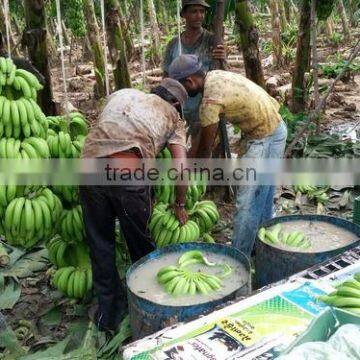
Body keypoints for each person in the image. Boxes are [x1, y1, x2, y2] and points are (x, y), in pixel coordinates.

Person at [80, 79, 189, 332]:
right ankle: (150, 309)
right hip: (127, 172)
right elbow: (180, 167)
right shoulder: (173, 116)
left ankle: (107, 318)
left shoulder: (123, 93)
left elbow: (107, 127)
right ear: (175, 103)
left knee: (100, 245)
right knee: (141, 247)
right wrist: (180, 203)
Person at [168, 54, 288, 258]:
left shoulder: (210, 101)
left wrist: (187, 175)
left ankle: (238, 257)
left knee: (247, 202)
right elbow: (202, 134)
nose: (184, 94)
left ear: (190, 81)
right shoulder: (214, 76)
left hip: (263, 137)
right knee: (265, 195)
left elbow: (205, 148)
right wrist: (188, 158)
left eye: (183, 88)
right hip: (277, 128)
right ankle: (264, 248)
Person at [162, 0, 226, 152]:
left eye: (202, 11)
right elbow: (165, 76)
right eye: (194, 11)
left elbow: (221, 76)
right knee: (175, 146)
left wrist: (223, 58)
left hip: (204, 106)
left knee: (203, 149)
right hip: (180, 107)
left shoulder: (212, 41)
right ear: (184, 14)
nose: (199, 16)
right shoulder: (173, 44)